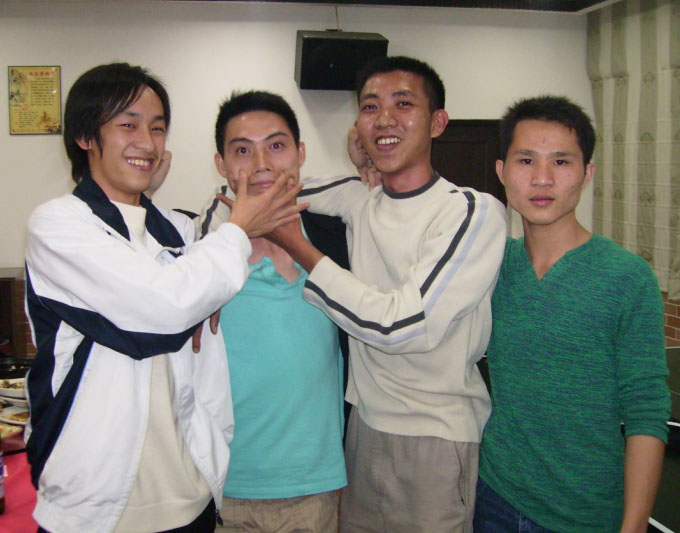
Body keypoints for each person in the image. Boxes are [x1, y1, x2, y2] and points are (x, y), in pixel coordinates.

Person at [23, 62, 305, 533]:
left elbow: (194, 298)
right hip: (93, 507)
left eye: (157, 128)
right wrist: (236, 232)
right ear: (85, 136)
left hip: (189, 495)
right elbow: (160, 314)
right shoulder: (58, 224)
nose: (148, 142)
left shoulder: (178, 230)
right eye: (128, 125)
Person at [265, 56, 508, 532]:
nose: (385, 118)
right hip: (364, 428)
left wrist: (303, 251)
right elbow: (259, 194)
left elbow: (404, 325)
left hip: (434, 437)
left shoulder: (469, 211)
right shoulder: (361, 198)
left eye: (404, 104)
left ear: (437, 122)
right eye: (370, 107)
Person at [474, 95, 670, 533]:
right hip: (493, 495)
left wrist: (634, 525)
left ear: (587, 173)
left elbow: (646, 409)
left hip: (587, 512)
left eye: (561, 162)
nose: (542, 178)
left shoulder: (627, 278)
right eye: (526, 160)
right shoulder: (489, 265)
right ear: (502, 171)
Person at [197, 90, 347, 531]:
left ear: (301, 154)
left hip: (316, 487)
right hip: (222, 488)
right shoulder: (199, 262)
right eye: (243, 150)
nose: (261, 164)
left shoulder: (340, 241)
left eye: (276, 146)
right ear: (222, 165)